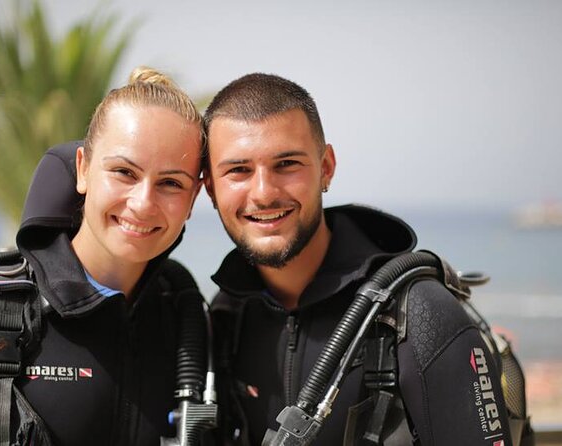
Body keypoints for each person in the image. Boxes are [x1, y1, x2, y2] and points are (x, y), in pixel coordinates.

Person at [203, 73, 516, 445]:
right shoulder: (227, 317)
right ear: (210, 187)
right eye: (238, 170)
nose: (264, 193)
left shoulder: (417, 314)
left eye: (287, 163)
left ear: (327, 168)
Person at [0, 67, 208, 445]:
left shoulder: (185, 319)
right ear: (83, 169)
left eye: (170, 183)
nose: (143, 203)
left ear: (193, 199)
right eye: (124, 172)